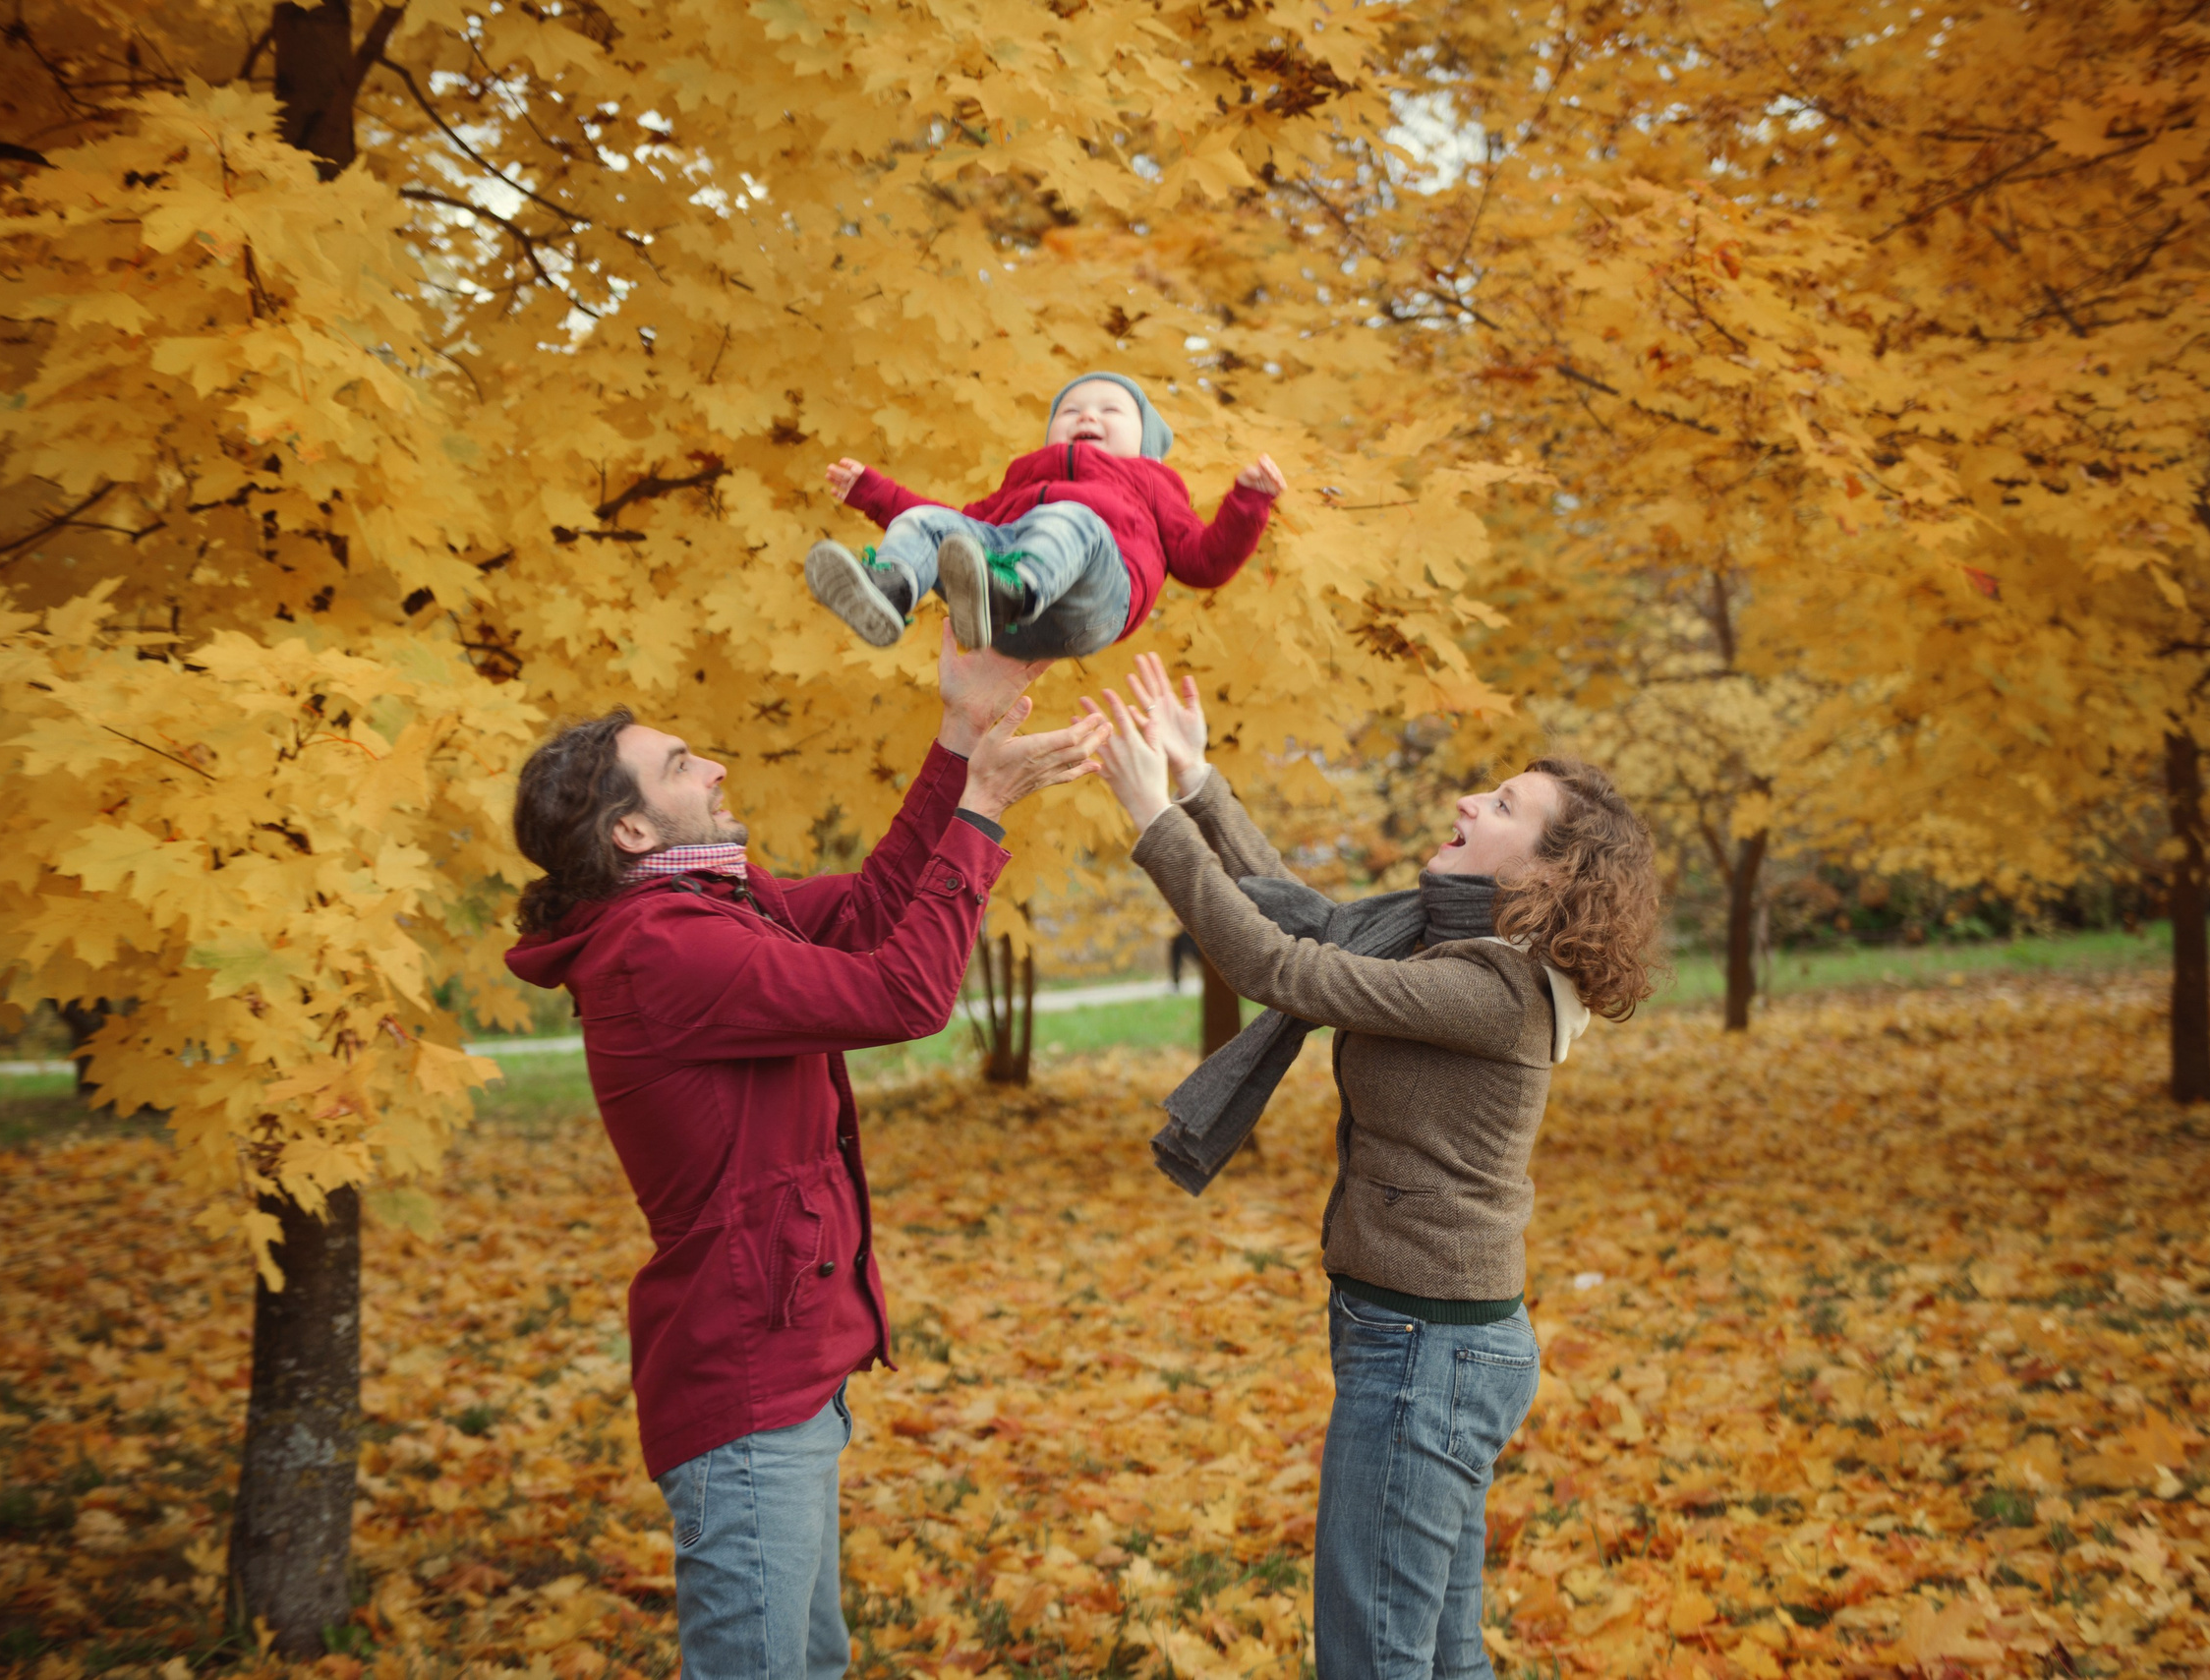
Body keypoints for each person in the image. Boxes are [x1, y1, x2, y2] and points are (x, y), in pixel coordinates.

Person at [502, 636, 1106, 1680]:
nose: (717, 767)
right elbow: (904, 995)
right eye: (685, 761)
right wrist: (982, 810)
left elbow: (874, 914)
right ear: (633, 827)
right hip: (741, 1380)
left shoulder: (710, 907)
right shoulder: (661, 947)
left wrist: (962, 738)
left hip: (785, 1362)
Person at [1082, 654, 1661, 1680]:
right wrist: (1198, 782)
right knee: (1435, 1654)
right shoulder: (1447, 950)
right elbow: (1321, 924)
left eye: (1501, 803)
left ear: (1545, 870)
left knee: (1374, 1659)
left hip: (1425, 1350)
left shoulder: (1493, 991)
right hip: (1432, 1338)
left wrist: (1152, 822)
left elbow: (1279, 966)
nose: (1465, 798)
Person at [804, 371, 1288, 657]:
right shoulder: (1025, 478)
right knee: (932, 524)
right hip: (999, 624)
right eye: (1071, 410)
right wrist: (872, 492)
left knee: (1073, 519)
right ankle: (891, 590)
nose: (1087, 416)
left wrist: (1248, 502)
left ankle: (1012, 591)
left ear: (1147, 446)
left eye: (1110, 410)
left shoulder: (1153, 483)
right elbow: (954, 524)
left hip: (1095, 603)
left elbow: (1204, 562)